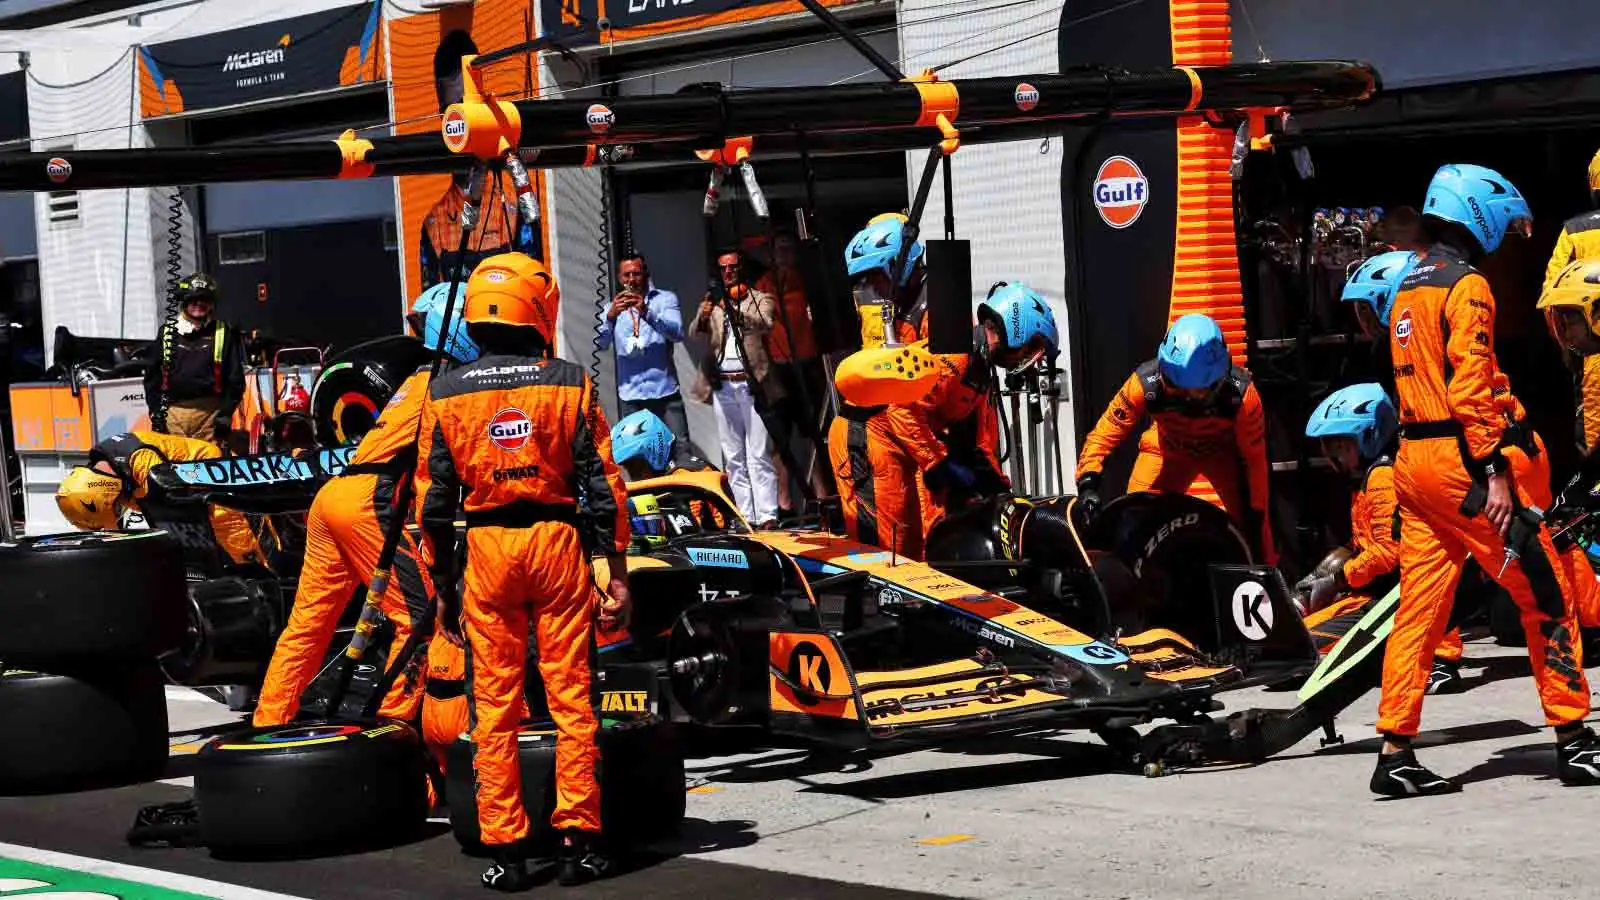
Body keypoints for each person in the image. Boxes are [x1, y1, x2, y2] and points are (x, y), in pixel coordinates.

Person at [1373, 163, 1600, 797]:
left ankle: (1394, 754)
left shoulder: (1408, 283)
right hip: (1460, 467)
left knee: (1419, 610)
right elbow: (1469, 386)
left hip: (1413, 466)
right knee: (1548, 594)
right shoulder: (1467, 284)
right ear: (1478, 212)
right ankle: (1576, 742)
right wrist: (1495, 468)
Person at [414, 252, 630, 890]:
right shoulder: (569, 381)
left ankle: (507, 854)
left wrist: (445, 586)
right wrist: (614, 571)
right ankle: (577, 845)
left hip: (485, 553)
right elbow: (604, 487)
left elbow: (433, 504)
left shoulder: (445, 392)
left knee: (497, 706)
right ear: (536, 309)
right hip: (558, 543)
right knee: (571, 701)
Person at [251, 283, 478, 733]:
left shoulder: (416, 379)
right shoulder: (449, 385)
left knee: (308, 625)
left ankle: (268, 724)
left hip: (335, 496)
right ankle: (396, 730)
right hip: (373, 499)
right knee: (420, 616)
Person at [1074, 313, 1276, 564]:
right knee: (1132, 521)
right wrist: (1088, 484)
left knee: (1254, 525)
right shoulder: (1143, 384)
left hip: (1222, 456)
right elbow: (1104, 433)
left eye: (1190, 391)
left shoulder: (1244, 398)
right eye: (1171, 382)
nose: (1177, 393)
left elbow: (1255, 464)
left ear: (1217, 382)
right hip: (1166, 450)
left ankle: (1267, 581)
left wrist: (1256, 514)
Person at [888, 282, 1059, 545]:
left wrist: (998, 488)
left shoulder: (979, 370)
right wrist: (937, 463)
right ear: (1018, 329)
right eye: (1033, 347)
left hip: (914, 450)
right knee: (898, 551)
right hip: (884, 444)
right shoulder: (957, 354)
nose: (1029, 362)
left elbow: (977, 443)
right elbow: (900, 409)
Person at [826, 214, 930, 557]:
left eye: (876, 278)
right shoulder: (885, 309)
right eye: (865, 280)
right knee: (889, 550)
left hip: (907, 436)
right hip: (871, 435)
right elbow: (894, 391)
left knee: (916, 541)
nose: (870, 289)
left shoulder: (933, 305)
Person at [419, 30, 536, 290]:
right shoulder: (434, 222)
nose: (462, 120)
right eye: (453, 109)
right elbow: (428, 314)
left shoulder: (515, 204)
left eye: (468, 104)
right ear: (442, 116)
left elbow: (535, 290)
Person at [55, 430, 260, 568]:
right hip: (187, 481)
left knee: (239, 544)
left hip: (215, 472)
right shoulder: (107, 467)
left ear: (107, 493)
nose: (121, 510)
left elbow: (169, 516)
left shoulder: (143, 465)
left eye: (116, 509)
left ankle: (263, 581)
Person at [1296, 384, 1401, 650]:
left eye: (1340, 445)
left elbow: (1388, 552)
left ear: (1370, 436)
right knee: (1293, 636)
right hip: (1374, 596)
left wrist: (1336, 581)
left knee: (1297, 648)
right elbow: (1359, 544)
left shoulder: (1382, 478)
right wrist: (1315, 578)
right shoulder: (1366, 478)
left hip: (1389, 601)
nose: (1332, 455)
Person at [689, 249, 781, 528]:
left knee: (758, 451)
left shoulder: (760, 299)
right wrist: (704, 316)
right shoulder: (714, 304)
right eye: (723, 268)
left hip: (752, 384)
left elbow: (766, 323)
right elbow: (694, 333)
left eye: (733, 267)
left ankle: (767, 514)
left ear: (742, 269)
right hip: (724, 385)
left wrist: (737, 311)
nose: (728, 273)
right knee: (733, 455)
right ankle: (745, 514)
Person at [594, 254, 695, 464]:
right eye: (626, 275)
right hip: (632, 396)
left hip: (664, 391)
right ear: (619, 278)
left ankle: (682, 495)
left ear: (645, 275)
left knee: (681, 452)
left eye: (636, 273)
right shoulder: (610, 309)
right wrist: (611, 317)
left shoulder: (665, 299)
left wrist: (647, 312)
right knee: (638, 457)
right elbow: (600, 345)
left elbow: (677, 334)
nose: (632, 279)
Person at [758, 231, 829, 510]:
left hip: (807, 364)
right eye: (780, 248)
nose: (784, 254)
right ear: (772, 253)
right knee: (780, 438)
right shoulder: (764, 284)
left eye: (789, 248)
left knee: (812, 433)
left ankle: (822, 495)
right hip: (778, 368)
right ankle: (784, 501)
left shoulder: (807, 282)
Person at [1541, 149, 1600, 452]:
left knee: (1593, 444)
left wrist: (1569, 348)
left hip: (1590, 354)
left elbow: (1552, 294)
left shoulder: (1575, 230)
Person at [144, 272, 246, 444]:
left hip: (210, 415)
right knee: (175, 466)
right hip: (173, 415)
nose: (199, 304)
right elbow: (152, 377)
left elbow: (235, 379)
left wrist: (226, 413)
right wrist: (155, 412)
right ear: (183, 301)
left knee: (210, 462)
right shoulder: (167, 332)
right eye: (193, 299)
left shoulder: (223, 332)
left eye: (204, 299)